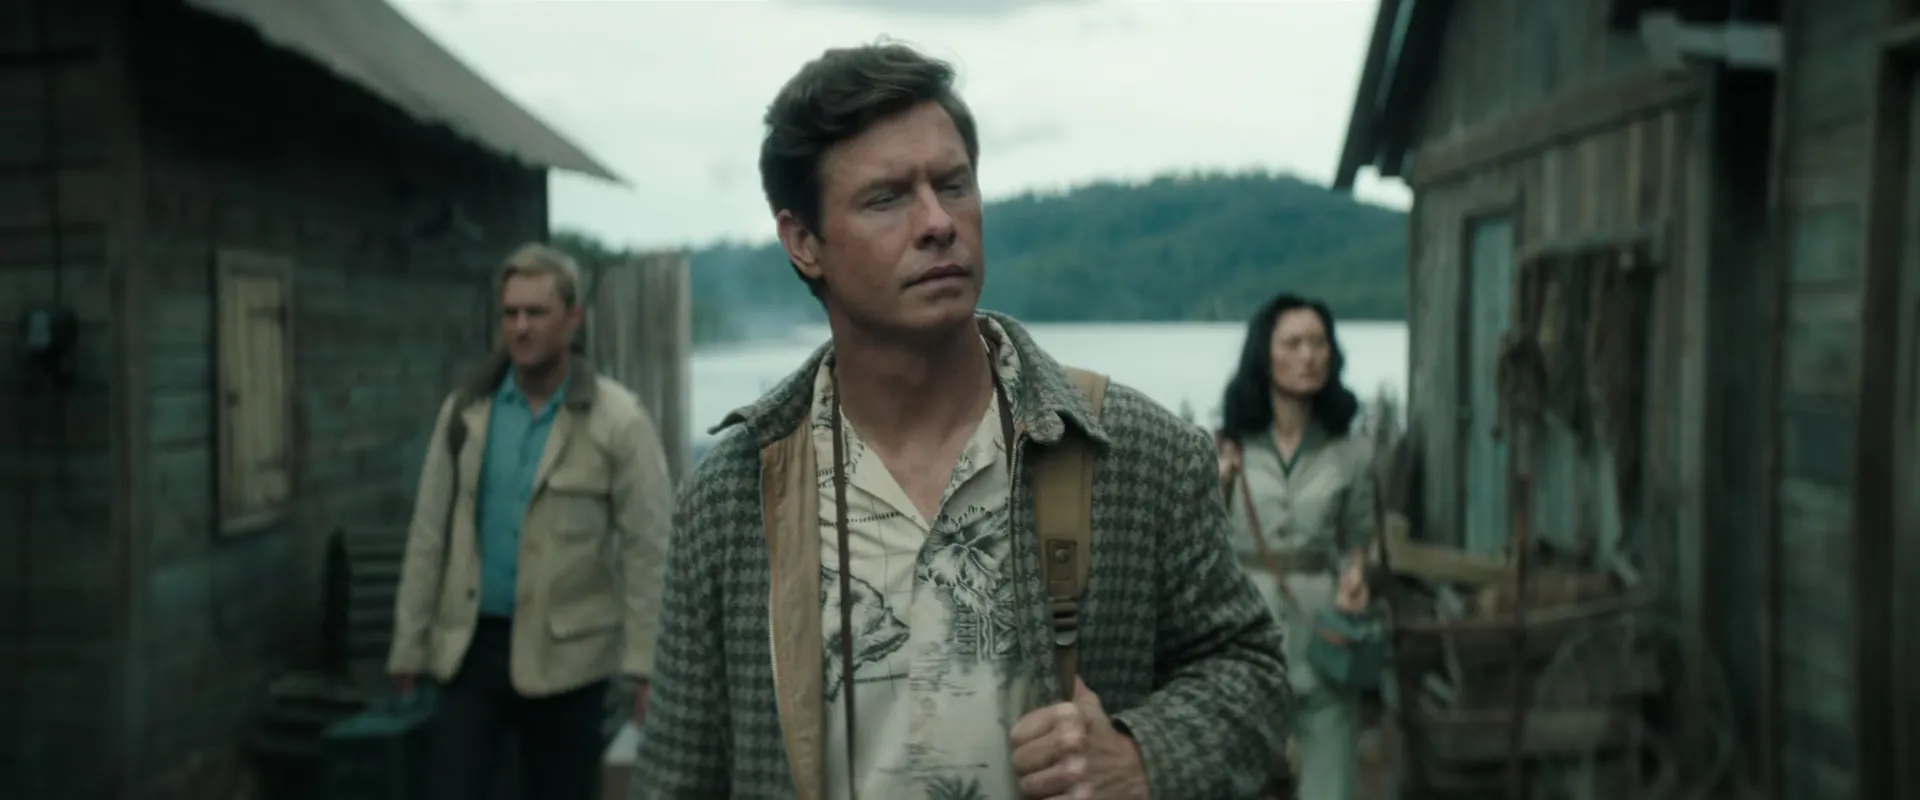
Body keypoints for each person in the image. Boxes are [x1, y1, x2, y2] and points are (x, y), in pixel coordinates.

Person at [634, 42, 1291, 800]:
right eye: (886, 199)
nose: (938, 222)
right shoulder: (734, 495)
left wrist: (1143, 758)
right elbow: (678, 775)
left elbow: (1253, 670)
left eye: (953, 185)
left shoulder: (1134, 453)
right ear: (804, 243)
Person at [386, 243, 674, 800]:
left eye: (536, 313)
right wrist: (408, 645)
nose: (520, 327)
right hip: (470, 649)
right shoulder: (467, 412)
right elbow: (429, 532)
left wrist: (646, 667)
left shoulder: (618, 421)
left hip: (569, 660)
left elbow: (650, 550)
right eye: (510, 313)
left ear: (572, 319)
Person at [1215, 292, 1379, 799]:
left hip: (1323, 630)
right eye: (1293, 343)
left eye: (1318, 342)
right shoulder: (1229, 446)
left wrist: (1357, 576)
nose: (1309, 355)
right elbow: (1198, 542)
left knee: (1332, 785)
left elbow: (1359, 538)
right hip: (1243, 634)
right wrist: (1218, 483)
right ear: (1264, 354)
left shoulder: (1349, 451)